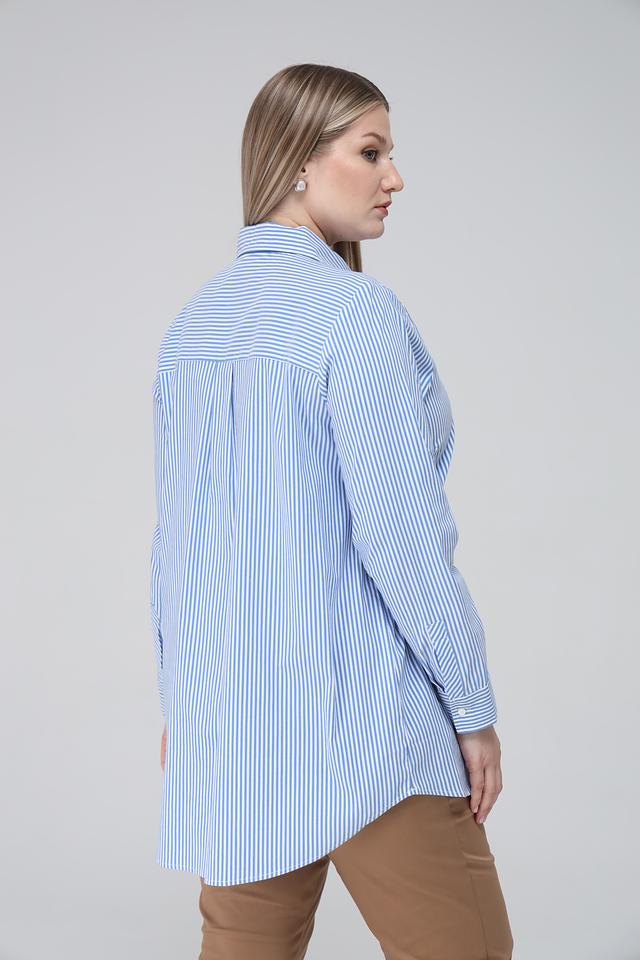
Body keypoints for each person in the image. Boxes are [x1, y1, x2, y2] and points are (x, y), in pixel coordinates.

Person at [150, 62, 514, 960]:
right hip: (364, 725)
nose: (396, 177)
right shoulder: (355, 314)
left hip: (236, 729)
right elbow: (401, 539)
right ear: (299, 162)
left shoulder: (193, 324)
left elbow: (180, 545)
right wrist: (471, 709)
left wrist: (189, 700)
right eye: (372, 151)